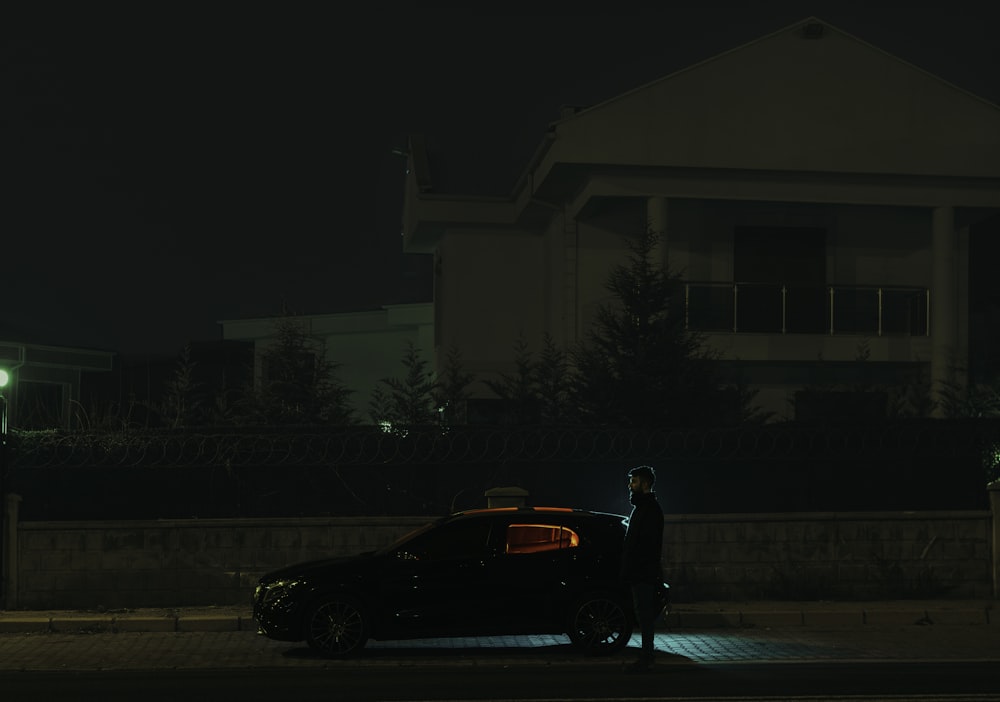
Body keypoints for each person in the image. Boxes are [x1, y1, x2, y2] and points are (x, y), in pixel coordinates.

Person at [621, 464, 664, 673]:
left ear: (645, 483)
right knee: (642, 615)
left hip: (643, 573)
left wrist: (636, 568)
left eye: (634, 481)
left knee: (645, 616)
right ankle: (647, 656)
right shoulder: (642, 508)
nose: (630, 485)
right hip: (639, 572)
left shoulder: (649, 510)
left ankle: (648, 657)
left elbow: (647, 545)